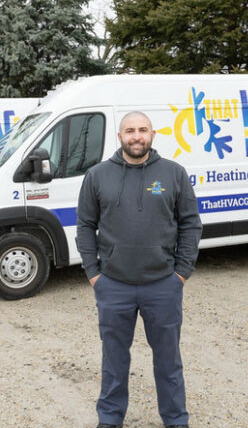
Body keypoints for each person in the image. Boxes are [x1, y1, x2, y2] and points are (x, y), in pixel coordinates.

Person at [76, 111, 202, 428]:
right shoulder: (97, 176)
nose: (136, 136)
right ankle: (109, 418)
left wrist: (181, 272)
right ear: (120, 136)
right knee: (114, 359)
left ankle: (176, 419)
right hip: (113, 285)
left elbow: (190, 224)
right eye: (130, 130)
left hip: (162, 285)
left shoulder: (173, 173)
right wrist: (94, 273)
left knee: (168, 361)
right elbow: (85, 225)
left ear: (152, 134)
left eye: (142, 130)